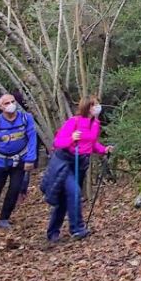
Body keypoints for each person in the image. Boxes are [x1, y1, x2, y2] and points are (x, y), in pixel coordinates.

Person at [41, 96, 112, 244]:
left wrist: (104, 149)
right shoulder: (73, 122)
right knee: (74, 192)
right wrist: (71, 138)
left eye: (97, 105)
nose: (97, 107)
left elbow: (91, 144)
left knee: (64, 199)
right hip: (65, 162)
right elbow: (57, 142)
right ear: (88, 107)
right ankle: (77, 228)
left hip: (80, 164)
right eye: (94, 105)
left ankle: (53, 232)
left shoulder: (95, 123)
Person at [0, 92, 37, 228]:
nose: (11, 105)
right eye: (6, 103)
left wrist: (30, 159)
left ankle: (4, 218)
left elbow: (32, 138)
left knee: (15, 188)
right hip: (0, 161)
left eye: (13, 102)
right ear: (1, 107)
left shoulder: (26, 118)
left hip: (20, 159)